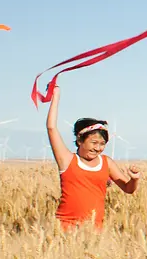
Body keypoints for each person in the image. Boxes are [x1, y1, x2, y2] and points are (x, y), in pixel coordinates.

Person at [45, 86, 140, 229]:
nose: (98, 148)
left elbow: (128, 189)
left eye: (102, 144)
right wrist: (56, 96)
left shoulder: (106, 162)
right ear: (79, 140)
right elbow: (51, 128)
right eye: (94, 143)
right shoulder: (67, 160)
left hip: (94, 230)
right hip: (65, 228)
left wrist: (134, 179)